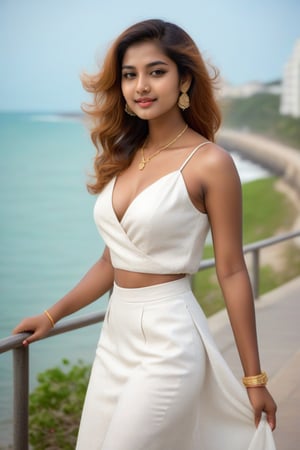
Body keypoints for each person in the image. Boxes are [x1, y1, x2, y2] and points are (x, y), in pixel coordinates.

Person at [13, 19, 277, 450]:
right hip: (114, 338)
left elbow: (230, 270)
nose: (141, 86)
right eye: (130, 75)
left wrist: (254, 379)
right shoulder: (125, 155)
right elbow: (109, 262)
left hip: (170, 339)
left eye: (156, 71)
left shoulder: (210, 162)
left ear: (183, 79)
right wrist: (50, 315)